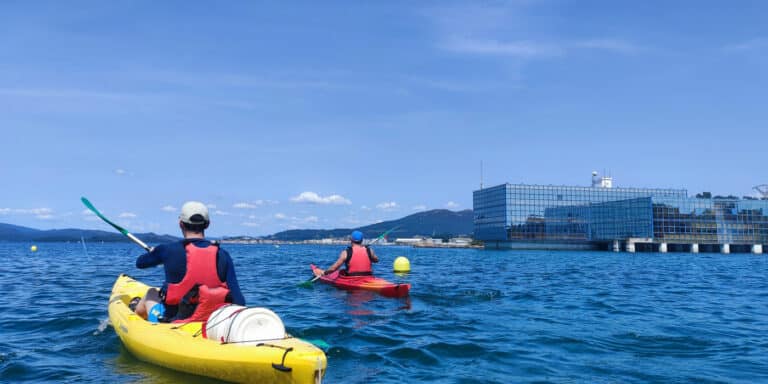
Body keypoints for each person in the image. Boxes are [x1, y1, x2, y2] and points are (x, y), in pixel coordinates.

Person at [133, 201, 245, 323]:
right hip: (210, 321)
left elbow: (140, 263)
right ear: (207, 224)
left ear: (181, 224)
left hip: (173, 320)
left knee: (151, 293)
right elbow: (239, 301)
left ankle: (136, 320)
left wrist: (155, 254)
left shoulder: (166, 250)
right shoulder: (223, 255)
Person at [314, 230, 379, 277]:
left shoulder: (346, 252)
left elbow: (334, 268)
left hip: (352, 279)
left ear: (351, 240)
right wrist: (367, 252)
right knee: (343, 271)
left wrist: (324, 273)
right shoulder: (369, 250)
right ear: (362, 240)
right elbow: (376, 260)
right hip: (368, 277)